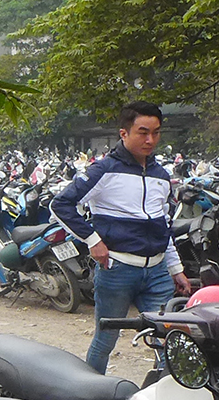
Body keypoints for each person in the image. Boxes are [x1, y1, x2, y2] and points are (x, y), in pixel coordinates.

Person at [52, 101, 192, 374]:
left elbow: (164, 224)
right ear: (124, 133)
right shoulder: (103, 170)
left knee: (168, 340)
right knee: (106, 339)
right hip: (117, 270)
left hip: (158, 272)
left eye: (156, 132)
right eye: (142, 132)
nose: (150, 140)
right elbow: (61, 205)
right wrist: (93, 241)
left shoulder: (161, 176)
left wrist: (176, 269)